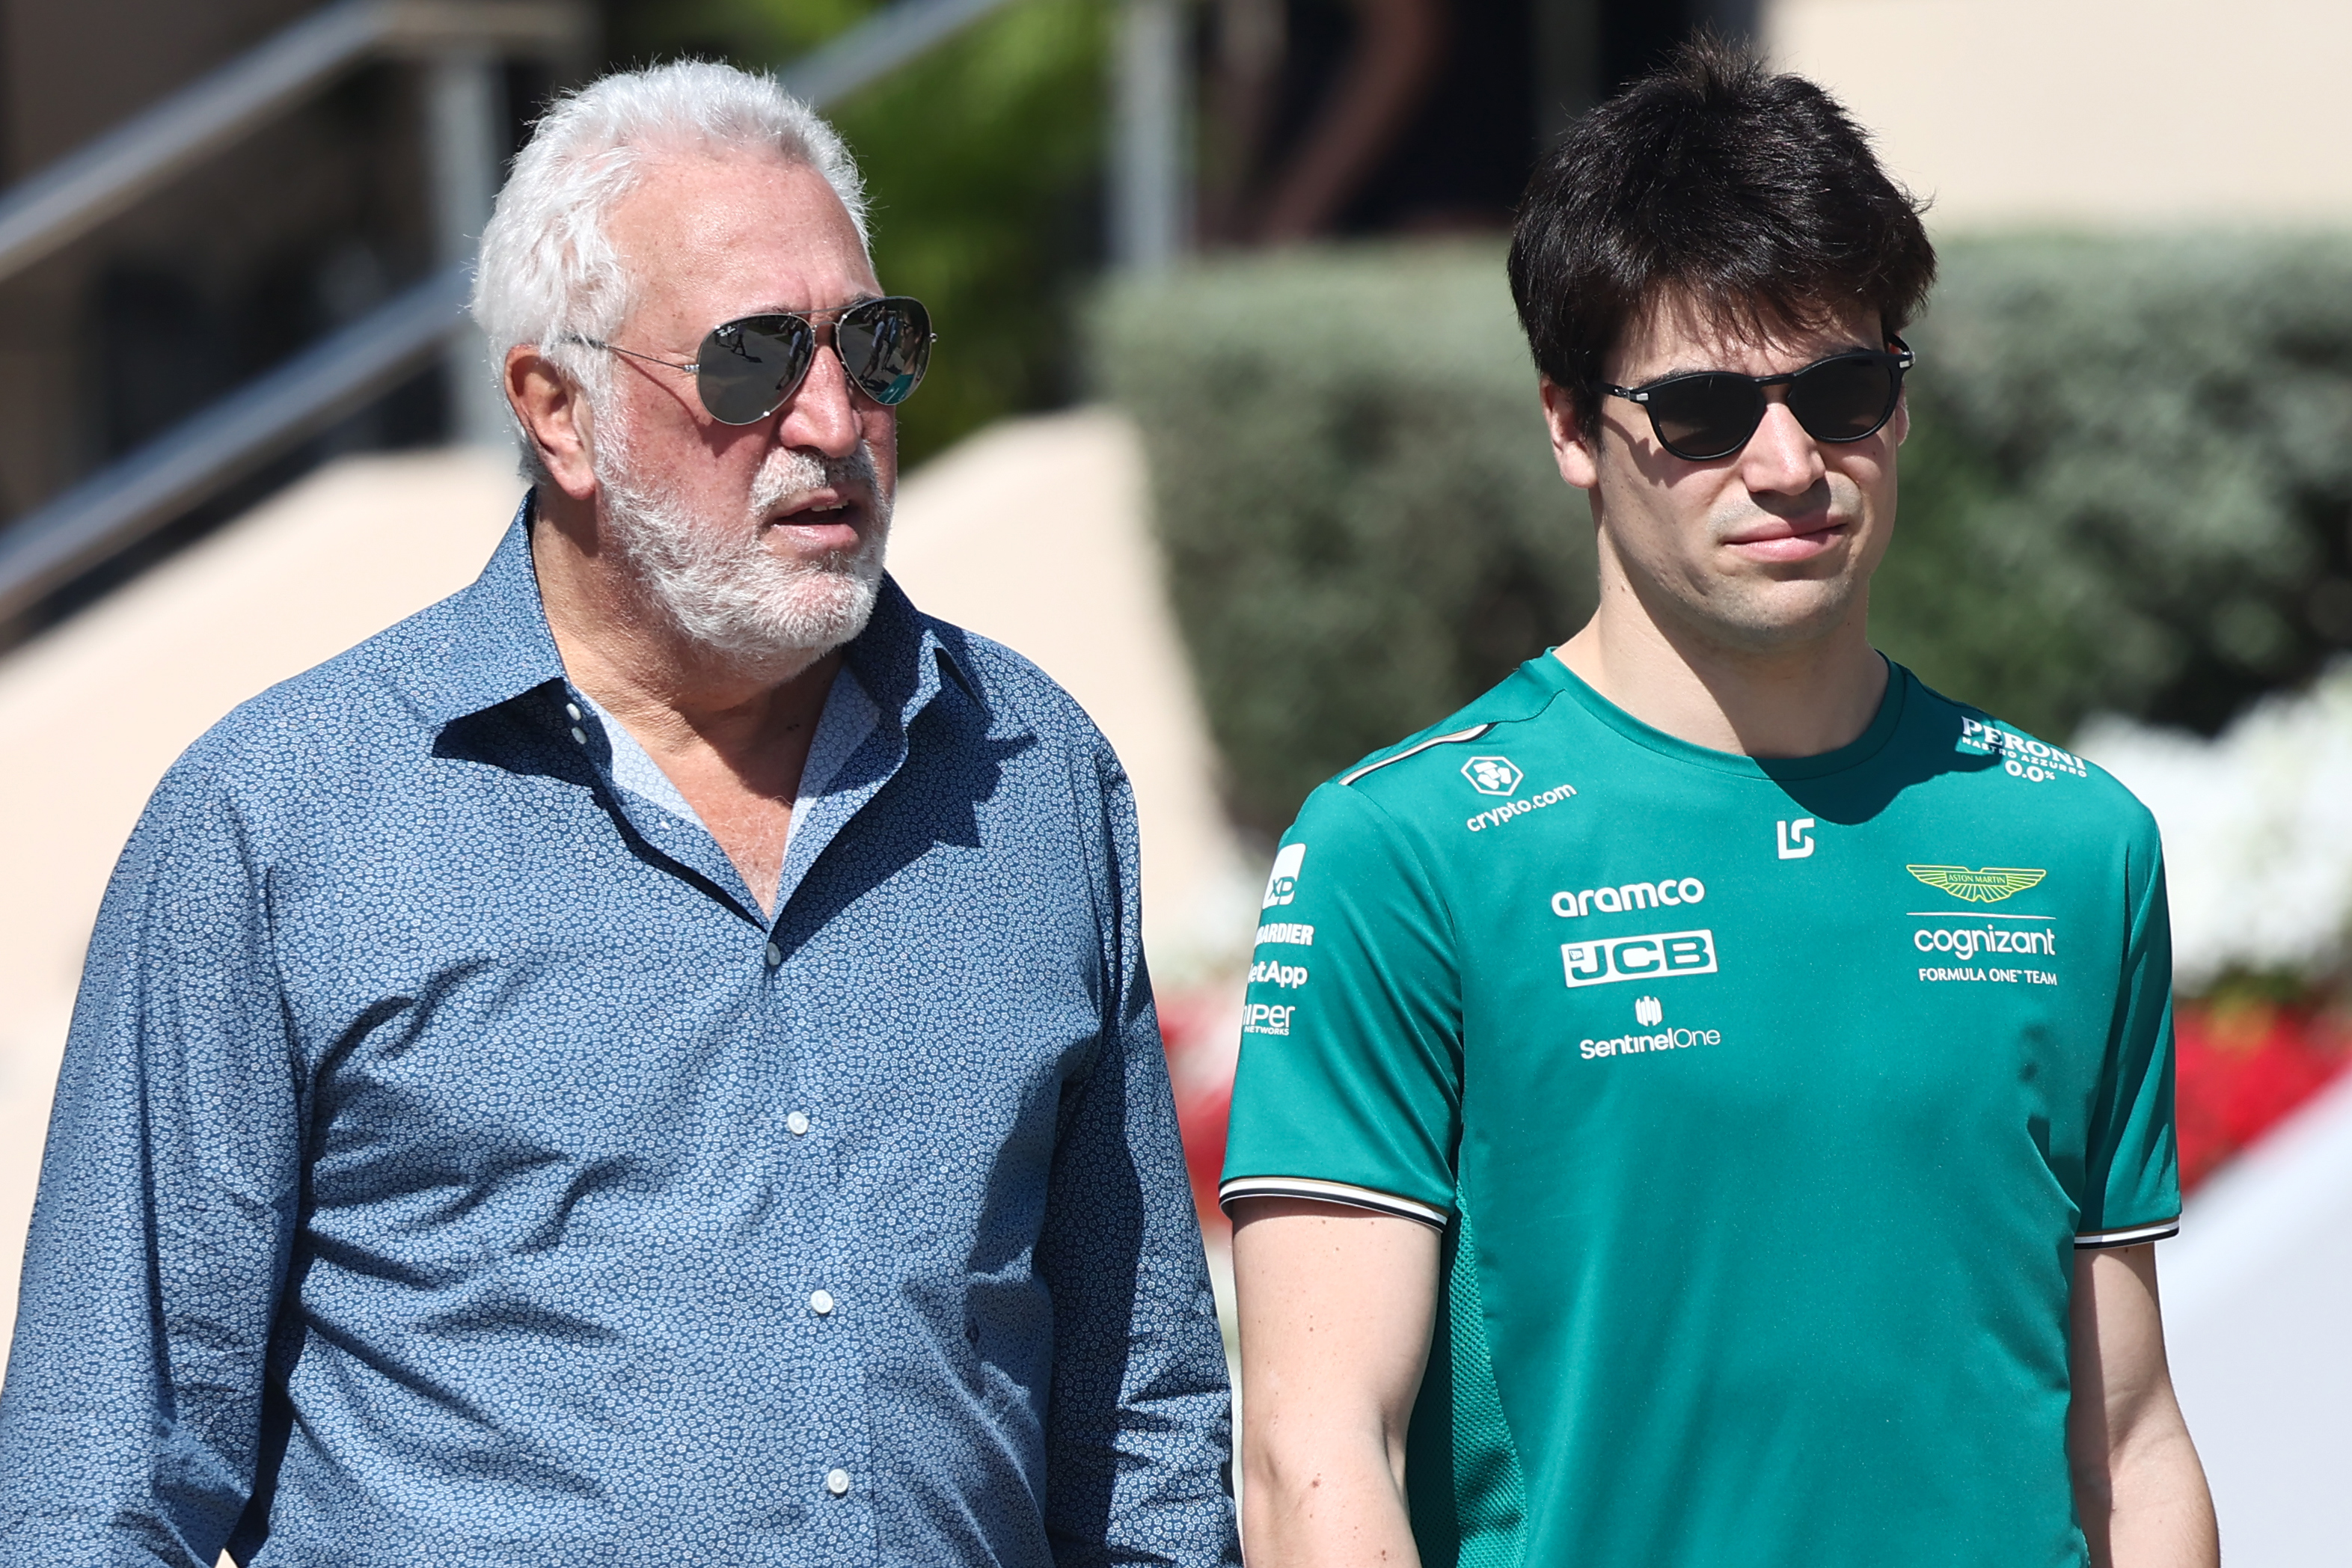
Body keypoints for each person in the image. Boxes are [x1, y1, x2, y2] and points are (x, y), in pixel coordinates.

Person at [0, 62, 1235, 1568]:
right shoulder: (278, 826)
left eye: (872, 345)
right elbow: (102, 1480)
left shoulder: (1033, 775)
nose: (833, 417)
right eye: (753, 360)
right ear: (557, 410)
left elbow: (1142, 1421)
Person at [1220, 40, 2217, 1568]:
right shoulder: (1399, 852)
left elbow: (2132, 1435)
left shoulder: (2074, 843)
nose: (1788, 463)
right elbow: (1312, 1457)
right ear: (1570, 424)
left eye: (1843, 391)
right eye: (1699, 412)